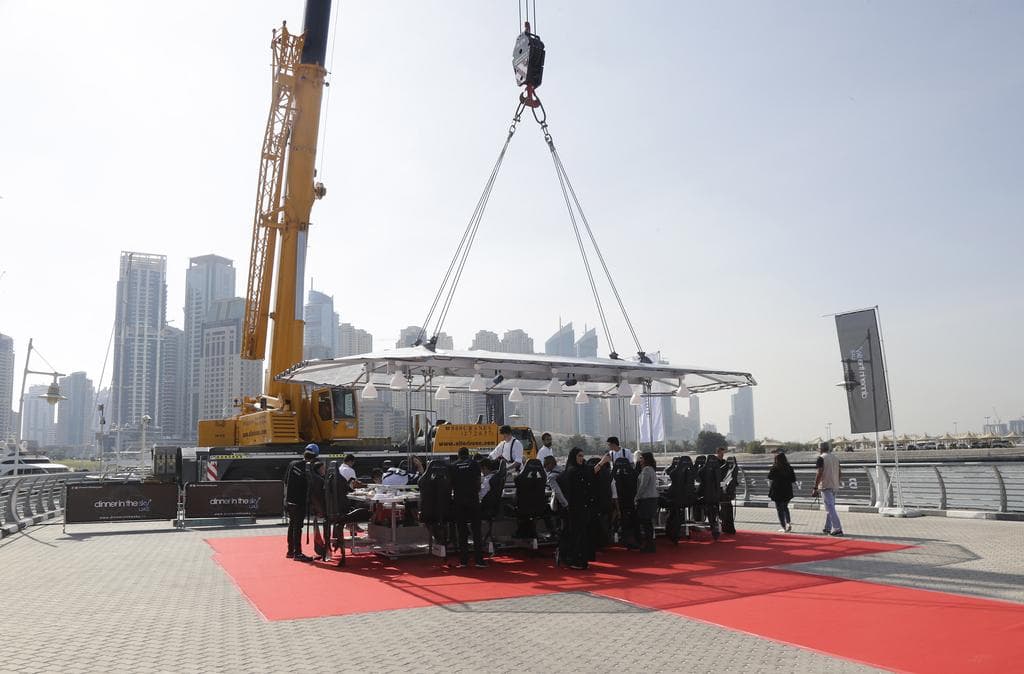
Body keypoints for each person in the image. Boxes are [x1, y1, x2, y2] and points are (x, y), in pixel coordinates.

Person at [559, 448, 611, 569]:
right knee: (577, 535)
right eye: (579, 456)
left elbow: (590, 473)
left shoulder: (580, 469)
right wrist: (601, 462)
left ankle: (581, 559)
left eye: (582, 456)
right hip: (575, 509)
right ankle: (574, 560)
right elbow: (588, 474)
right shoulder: (572, 471)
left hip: (584, 508)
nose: (581, 458)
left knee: (583, 535)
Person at [450, 447, 487, 567]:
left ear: (458, 455)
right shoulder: (474, 464)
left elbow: (451, 484)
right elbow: (478, 481)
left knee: (461, 531)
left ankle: (463, 561)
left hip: (459, 500)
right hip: (473, 499)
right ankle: (479, 561)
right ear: (468, 455)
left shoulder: (453, 465)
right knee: (476, 530)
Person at [284, 444, 319, 561]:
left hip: (289, 500)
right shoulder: (309, 468)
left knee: (292, 525)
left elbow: (285, 481)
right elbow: (312, 485)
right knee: (297, 527)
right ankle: (297, 553)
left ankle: (290, 551)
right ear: (315, 457)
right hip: (300, 502)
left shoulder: (292, 464)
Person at [814, 441, 844, 536]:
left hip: (826, 486)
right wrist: (838, 482)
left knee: (830, 508)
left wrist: (815, 487)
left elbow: (819, 473)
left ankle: (837, 528)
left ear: (821, 449)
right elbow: (839, 472)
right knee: (830, 507)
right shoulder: (835, 458)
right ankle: (827, 528)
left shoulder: (821, 458)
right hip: (835, 485)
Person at [635, 452, 659, 553]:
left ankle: (649, 545)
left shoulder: (646, 470)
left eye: (641, 458)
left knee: (646, 523)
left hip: (646, 499)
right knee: (648, 523)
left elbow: (643, 486)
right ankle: (650, 544)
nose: (640, 460)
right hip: (652, 499)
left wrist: (637, 497)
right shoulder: (652, 469)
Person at [768, 451, 796, 532]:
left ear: (777, 459)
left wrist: (773, 466)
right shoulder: (789, 467)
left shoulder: (775, 468)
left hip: (777, 491)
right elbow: (793, 479)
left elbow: (769, 477)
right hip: (787, 491)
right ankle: (788, 523)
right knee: (785, 507)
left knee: (779, 509)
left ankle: (783, 527)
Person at [716, 447, 738, 535]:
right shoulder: (717, 463)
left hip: (723, 491)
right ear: (717, 453)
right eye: (721, 453)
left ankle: (724, 526)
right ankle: (724, 525)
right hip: (723, 490)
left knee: (725, 507)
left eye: (723, 453)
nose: (722, 455)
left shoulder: (725, 464)